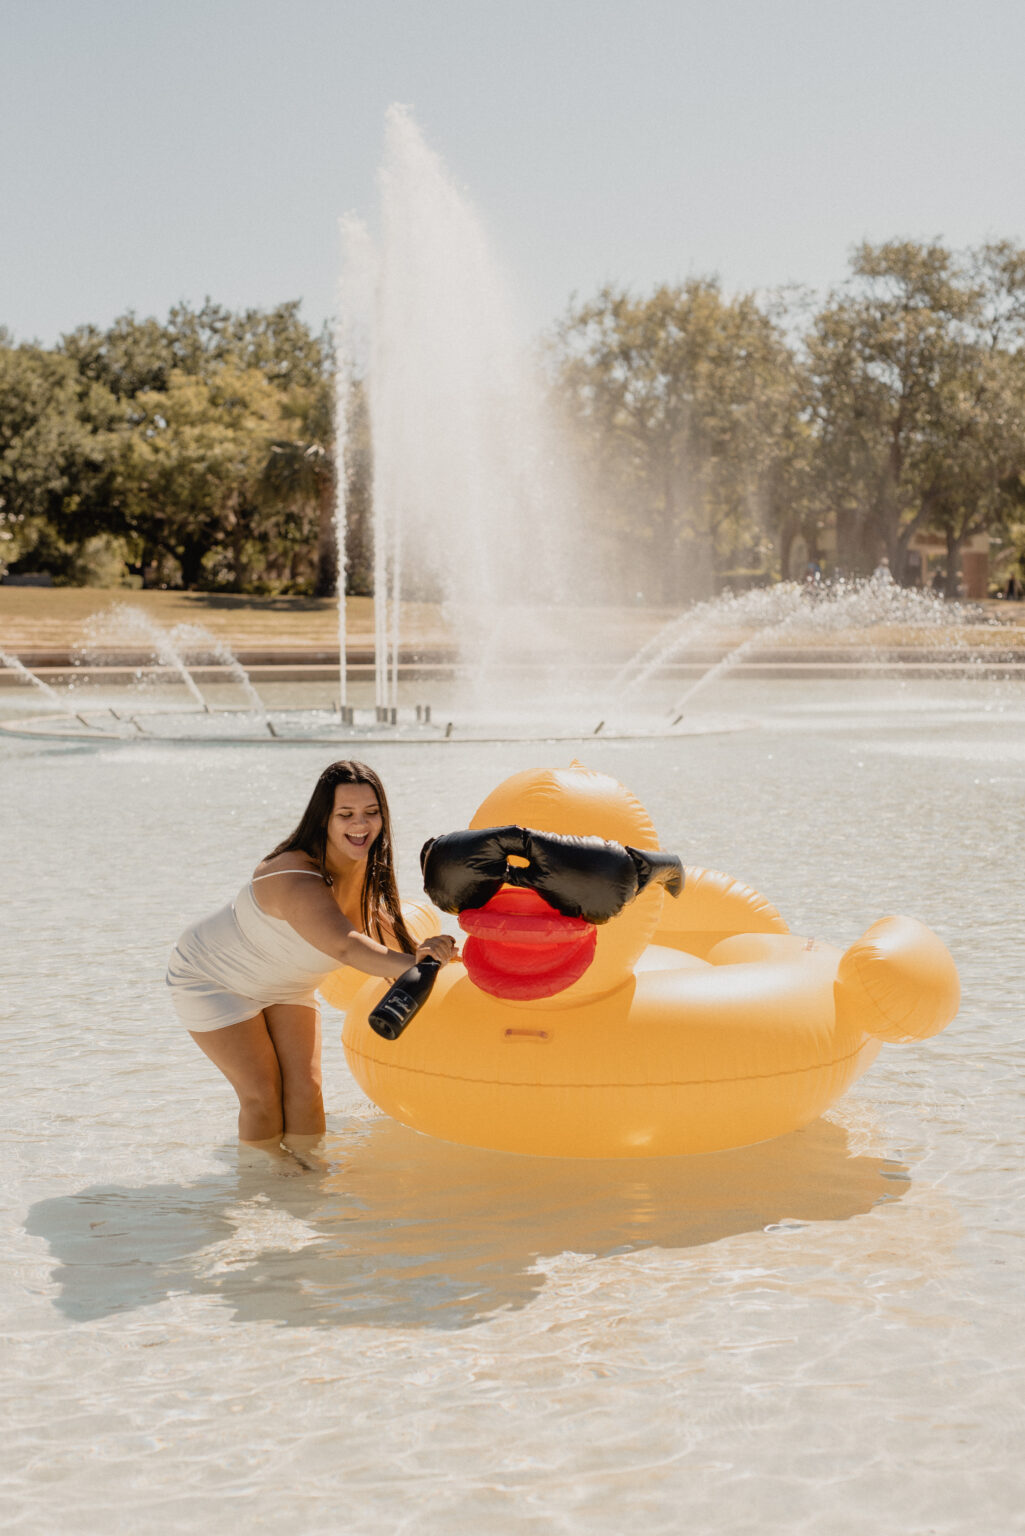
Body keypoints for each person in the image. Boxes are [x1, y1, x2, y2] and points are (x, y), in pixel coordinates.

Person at [166, 760, 457, 1149]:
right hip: (214, 978)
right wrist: (413, 963)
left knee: (307, 1089)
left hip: (287, 985)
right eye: (346, 814)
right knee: (263, 1094)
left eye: (372, 813)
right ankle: (259, 1187)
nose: (361, 824)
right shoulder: (295, 874)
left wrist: (446, 959)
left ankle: (307, 1186)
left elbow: (375, 919)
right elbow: (344, 943)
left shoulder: (365, 865)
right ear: (324, 819)